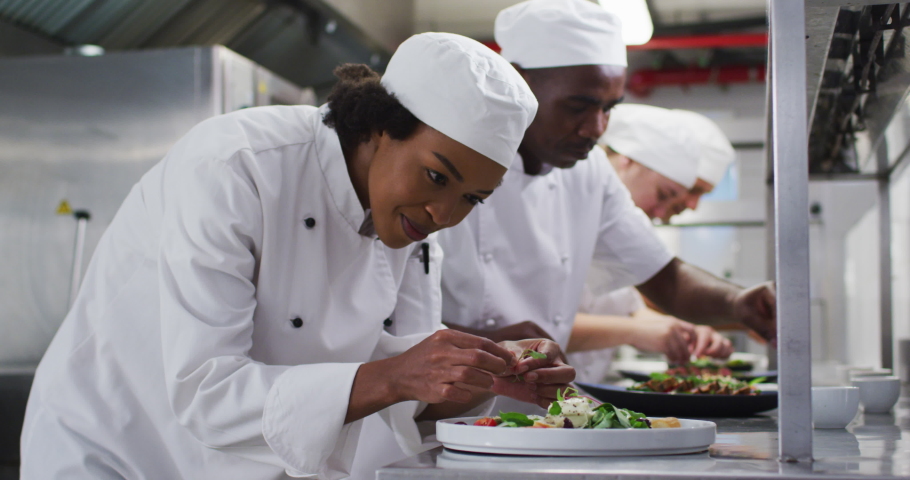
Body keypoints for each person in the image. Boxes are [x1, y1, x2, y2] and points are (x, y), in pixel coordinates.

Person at [20, 33, 574, 480]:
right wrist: (397, 375)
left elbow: (397, 397)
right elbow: (207, 390)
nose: (444, 215)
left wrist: (483, 377)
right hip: (118, 453)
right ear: (383, 126)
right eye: (436, 176)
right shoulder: (238, 166)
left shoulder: (412, 223)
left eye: (471, 199)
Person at [438, 0, 775, 393]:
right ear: (518, 82)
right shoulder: (453, 157)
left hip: (546, 409)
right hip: (447, 406)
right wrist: (489, 342)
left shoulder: (590, 171)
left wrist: (738, 302)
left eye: (608, 108)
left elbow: (666, 277)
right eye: (579, 106)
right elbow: (398, 319)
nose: (596, 127)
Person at [567, 104, 736, 383]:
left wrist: (681, 330)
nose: (688, 207)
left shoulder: (615, 229)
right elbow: (538, 323)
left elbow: (626, 307)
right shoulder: (567, 211)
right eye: (667, 194)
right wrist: (633, 330)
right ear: (626, 161)